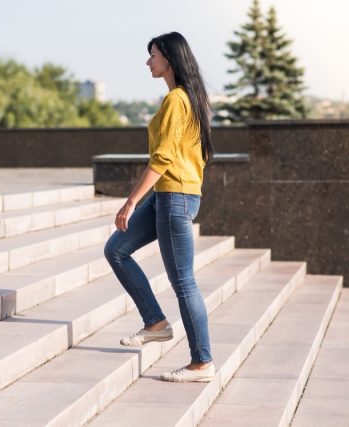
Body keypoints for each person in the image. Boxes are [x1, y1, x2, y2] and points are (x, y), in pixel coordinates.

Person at [104, 31, 215, 383]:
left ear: (168, 58)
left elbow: (163, 158)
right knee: (117, 249)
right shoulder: (188, 99)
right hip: (173, 194)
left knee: (183, 282)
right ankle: (155, 322)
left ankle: (202, 363)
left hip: (175, 196)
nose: (148, 61)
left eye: (152, 54)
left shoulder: (178, 101)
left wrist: (131, 202)